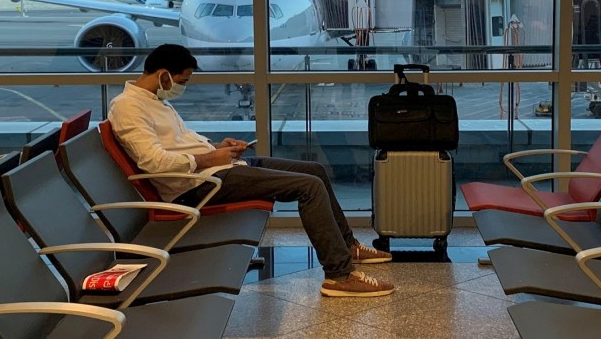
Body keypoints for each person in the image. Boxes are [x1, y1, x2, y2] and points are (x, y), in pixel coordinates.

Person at [108, 44, 394, 298]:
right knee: (309, 187)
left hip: (216, 169)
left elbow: (178, 145)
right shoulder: (128, 108)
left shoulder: (157, 101)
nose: (182, 87)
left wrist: (217, 147)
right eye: (182, 81)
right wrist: (209, 159)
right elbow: (154, 163)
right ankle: (339, 276)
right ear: (163, 76)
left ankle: (348, 246)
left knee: (315, 171)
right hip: (197, 186)